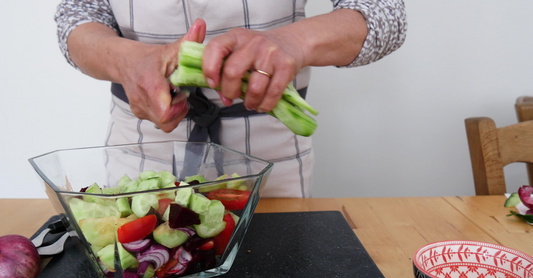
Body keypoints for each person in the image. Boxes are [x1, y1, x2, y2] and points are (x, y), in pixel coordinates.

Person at [54, 1, 407, 198]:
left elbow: (384, 13)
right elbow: (77, 18)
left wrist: (295, 43)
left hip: (270, 162)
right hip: (142, 153)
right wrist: (127, 61)